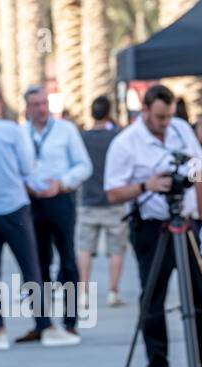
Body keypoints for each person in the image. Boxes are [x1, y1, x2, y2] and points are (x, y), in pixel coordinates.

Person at [104, 84, 202, 367]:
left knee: (201, 290)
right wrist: (147, 186)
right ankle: (157, 364)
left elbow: (198, 171)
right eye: (159, 117)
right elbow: (113, 193)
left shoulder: (181, 130)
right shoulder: (125, 143)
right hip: (152, 226)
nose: (165, 122)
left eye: (168, 116)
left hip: (187, 220)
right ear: (144, 111)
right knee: (154, 294)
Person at [0, 86, 79, 350]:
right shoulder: (12, 131)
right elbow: (27, 168)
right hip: (15, 207)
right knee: (31, 268)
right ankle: (45, 325)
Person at [22, 84, 92, 336]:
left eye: (44, 104)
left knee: (68, 260)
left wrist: (61, 184)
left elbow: (84, 166)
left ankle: (71, 322)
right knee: (36, 262)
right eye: (35, 105)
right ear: (27, 108)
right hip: (32, 203)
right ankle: (42, 323)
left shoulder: (66, 130)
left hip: (61, 200)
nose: (41, 109)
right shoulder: (22, 134)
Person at [77, 96, 129, 310]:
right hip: (113, 201)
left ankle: (83, 292)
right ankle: (113, 291)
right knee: (116, 249)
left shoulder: (82, 138)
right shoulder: (117, 137)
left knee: (85, 248)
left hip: (88, 200)